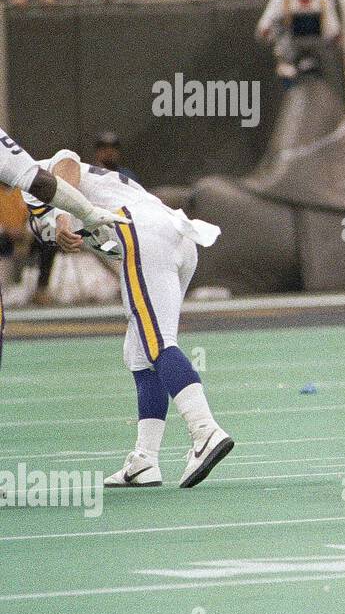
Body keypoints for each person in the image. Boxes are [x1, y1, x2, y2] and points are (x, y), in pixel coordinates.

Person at [23, 149, 231, 488]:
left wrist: (62, 217)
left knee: (157, 343)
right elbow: (100, 240)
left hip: (144, 232)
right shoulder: (32, 204)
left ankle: (205, 430)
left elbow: (67, 164)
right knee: (139, 354)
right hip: (170, 236)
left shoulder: (30, 175)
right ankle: (145, 460)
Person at [0, 127, 123, 368]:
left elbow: (61, 164)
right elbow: (46, 179)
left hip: (102, 229)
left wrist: (75, 217)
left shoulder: (120, 175)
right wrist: (81, 214)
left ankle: (123, 284)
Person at [254, 0, 340, 80]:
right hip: (288, 45)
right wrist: (269, 31)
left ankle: (313, 65)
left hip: (318, 47)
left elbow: (333, 29)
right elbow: (264, 26)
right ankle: (286, 64)